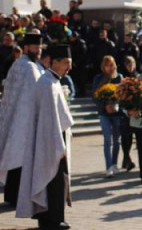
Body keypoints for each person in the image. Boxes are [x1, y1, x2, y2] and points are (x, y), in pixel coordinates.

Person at [16, 44, 74, 230]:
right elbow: (49, 122)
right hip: (51, 142)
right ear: (53, 62)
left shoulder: (53, 81)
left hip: (52, 140)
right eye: (65, 63)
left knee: (56, 181)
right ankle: (53, 220)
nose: (69, 68)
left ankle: (53, 217)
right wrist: (60, 147)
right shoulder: (47, 84)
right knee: (53, 181)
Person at [0, 34, 43, 207]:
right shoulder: (30, 67)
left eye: (39, 48)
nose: (38, 51)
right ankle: (17, 195)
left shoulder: (18, 64)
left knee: (14, 157)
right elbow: (36, 93)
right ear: (26, 48)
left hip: (14, 117)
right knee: (22, 159)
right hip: (24, 120)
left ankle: (11, 195)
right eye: (35, 47)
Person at [92, 56, 123, 178]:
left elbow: (124, 94)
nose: (110, 67)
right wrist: (105, 105)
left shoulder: (119, 77)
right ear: (103, 67)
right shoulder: (99, 78)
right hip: (103, 113)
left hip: (117, 113)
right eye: (108, 65)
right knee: (107, 139)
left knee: (116, 140)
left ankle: (115, 164)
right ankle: (108, 166)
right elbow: (95, 96)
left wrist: (117, 104)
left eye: (112, 65)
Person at [120, 56, 138, 172]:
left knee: (135, 136)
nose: (130, 67)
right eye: (128, 65)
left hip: (136, 111)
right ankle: (126, 158)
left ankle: (126, 160)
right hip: (125, 111)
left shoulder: (138, 77)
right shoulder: (122, 77)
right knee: (126, 137)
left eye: (132, 64)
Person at [68, 32, 87, 98]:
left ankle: (82, 92)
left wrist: (76, 62)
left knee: (80, 79)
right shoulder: (70, 43)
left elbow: (82, 55)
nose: (70, 38)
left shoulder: (81, 43)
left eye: (71, 37)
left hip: (80, 64)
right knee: (75, 78)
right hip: (73, 64)